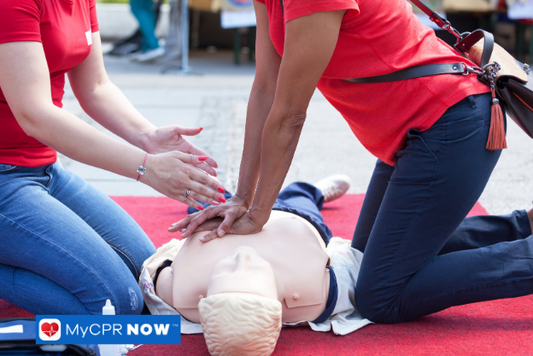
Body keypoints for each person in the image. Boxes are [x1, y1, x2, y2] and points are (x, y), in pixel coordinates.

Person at [174, 0, 533, 324]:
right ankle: (525, 227)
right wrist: (242, 196)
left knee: (381, 296)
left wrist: (258, 213)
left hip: (449, 124)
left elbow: (289, 116)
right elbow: (267, 87)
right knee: (366, 261)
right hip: (414, 133)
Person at [0, 0, 226, 315]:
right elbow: (34, 114)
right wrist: (146, 169)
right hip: (5, 176)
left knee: (144, 273)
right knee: (114, 308)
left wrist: (150, 139)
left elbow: (96, 87)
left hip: (42, 168)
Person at [140, 176, 372, 355]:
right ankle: (313, 191)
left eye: (227, 270)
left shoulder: (177, 295)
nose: (243, 255)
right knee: (299, 197)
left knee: (208, 199)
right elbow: (344, 257)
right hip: (291, 216)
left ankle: (216, 191)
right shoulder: (319, 298)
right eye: (252, 271)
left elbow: (157, 265)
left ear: (204, 300)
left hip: (216, 224)